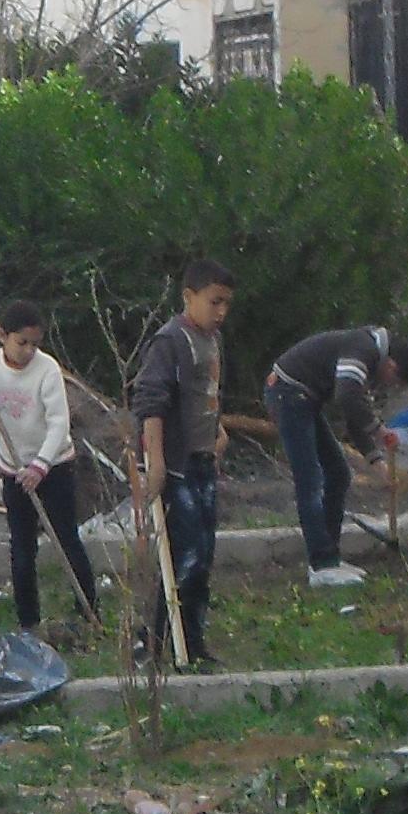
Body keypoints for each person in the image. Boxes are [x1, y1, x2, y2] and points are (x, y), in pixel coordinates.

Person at [0, 302, 103, 634]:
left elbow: (60, 424)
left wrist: (40, 466)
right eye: (22, 343)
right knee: (21, 548)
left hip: (55, 466)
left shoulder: (47, 370)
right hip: (13, 471)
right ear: (3, 337)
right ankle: (29, 622)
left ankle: (89, 613)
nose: (29, 351)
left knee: (66, 539)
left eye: (35, 343)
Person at [261, 310, 408, 597]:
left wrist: (376, 461)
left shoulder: (370, 358)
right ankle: (321, 564)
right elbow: (347, 397)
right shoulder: (364, 347)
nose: (392, 386)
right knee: (310, 479)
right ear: (392, 364)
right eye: (396, 380)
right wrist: (379, 430)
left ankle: (331, 558)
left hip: (305, 399)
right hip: (288, 393)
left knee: (337, 473)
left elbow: (354, 416)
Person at [131, 263, 236, 663]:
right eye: (214, 302)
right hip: (176, 464)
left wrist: (218, 429)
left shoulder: (212, 340)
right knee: (183, 555)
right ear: (189, 296)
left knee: (204, 554)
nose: (221, 311)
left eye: (227, 303)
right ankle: (155, 639)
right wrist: (154, 462)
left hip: (204, 460)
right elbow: (151, 403)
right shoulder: (170, 341)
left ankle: (192, 641)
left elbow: (203, 393)